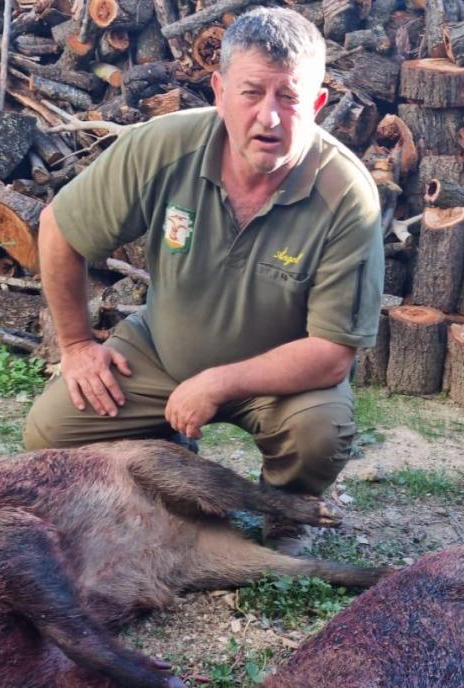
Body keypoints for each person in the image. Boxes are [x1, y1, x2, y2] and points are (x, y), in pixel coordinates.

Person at [21, 6, 384, 517]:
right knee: (50, 434)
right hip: (161, 351)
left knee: (319, 433)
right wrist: (77, 344)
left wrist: (216, 383)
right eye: (252, 92)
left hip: (274, 381)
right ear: (219, 91)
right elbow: (61, 226)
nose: (269, 116)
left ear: (319, 103)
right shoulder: (163, 147)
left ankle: (287, 512)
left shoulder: (346, 196)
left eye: (290, 97)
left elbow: (331, 353)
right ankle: (163, 462)